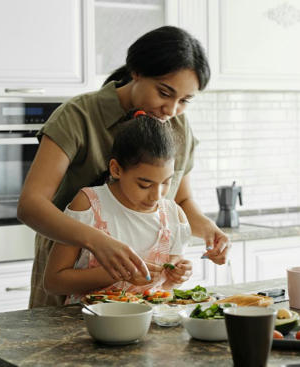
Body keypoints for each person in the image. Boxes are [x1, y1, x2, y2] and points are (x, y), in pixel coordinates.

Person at [17, 25, 230, 307]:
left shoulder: (177, 125)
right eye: (164, 93)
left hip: (141, 296)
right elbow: (30, 205)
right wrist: (97, 242)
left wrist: (209, 230)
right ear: (136, 72)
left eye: (184, 101)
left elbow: (181, 200)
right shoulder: (78, 116)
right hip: (71, 276)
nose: (171, 109)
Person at [44, 112, 192, 303]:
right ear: (116, 169)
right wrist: (118, 273)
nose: (157, 195)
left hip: (150, 324)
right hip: (88, 324)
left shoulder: (174, 216)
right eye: (145, 184)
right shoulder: (89, 205)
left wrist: (178, 276)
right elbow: (53, 282)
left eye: (166, 183)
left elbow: (165, 288)